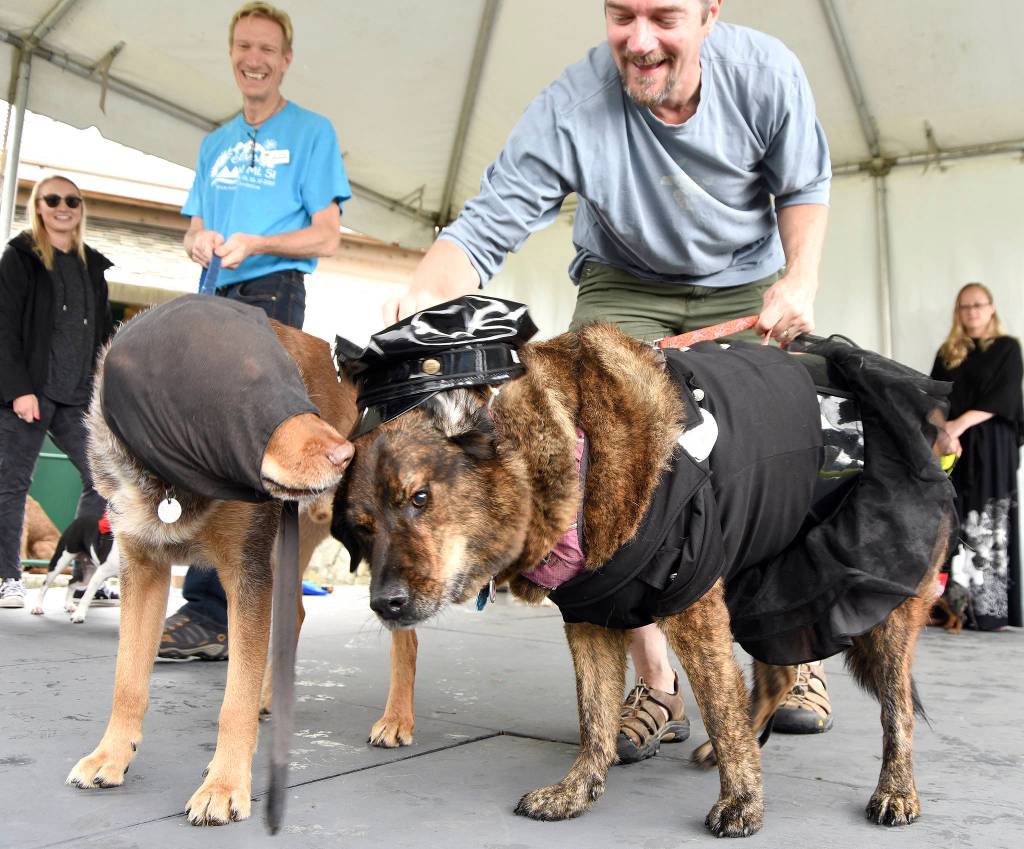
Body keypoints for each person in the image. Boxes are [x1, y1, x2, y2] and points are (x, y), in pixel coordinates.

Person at [385, 0, 834, 759]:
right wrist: (425, 300)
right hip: (624, 281)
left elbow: (803, 187)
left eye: (664, 15)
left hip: (742, 282)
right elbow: (487, 224)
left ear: (710, 13)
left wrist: (800, 280)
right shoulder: (573, 104)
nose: (641, 38)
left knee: (777, 455)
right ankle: (657, 685)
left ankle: (790, 652)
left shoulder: (766, 74)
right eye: (622, 15)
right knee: (601, 483)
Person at [159, 1, 351, 658]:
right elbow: (192, 225)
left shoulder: (312, 132)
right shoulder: (214, 142)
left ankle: (215, 610)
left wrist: (259, 240)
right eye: (244, 46)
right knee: (200, 445)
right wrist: (199, 238)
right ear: (233, 54)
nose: (254, 58)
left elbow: (327, 235)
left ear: (285, 59)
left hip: (272, 297)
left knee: (242, 449)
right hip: (211, 297)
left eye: (267, 48)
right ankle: (216, 603)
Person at [0, 174, 114, 609]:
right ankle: (6, 576)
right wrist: (18, 390)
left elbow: (102, 336)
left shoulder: (93, 266)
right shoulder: (21, 258)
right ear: (39, 206)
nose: (63, 206)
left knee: (101, 478)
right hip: (30, 393)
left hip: (78, 397)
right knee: (11, 484)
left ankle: (85, 577)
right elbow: (5, 328)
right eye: (53, 199)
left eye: (72, 200)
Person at [930, 283, 1023, 631]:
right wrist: (943, 431)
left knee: (988, 521)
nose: (972, 312)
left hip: (991, 443)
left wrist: (957, 426)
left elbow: (1003, 397)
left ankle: (988, 610)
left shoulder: (1007, 348)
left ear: (991, 308)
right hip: (954, 446)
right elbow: (934, 397)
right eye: (965, 306)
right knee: (951, 520)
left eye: (978, 305)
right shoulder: (948, 351)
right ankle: (952, 607)